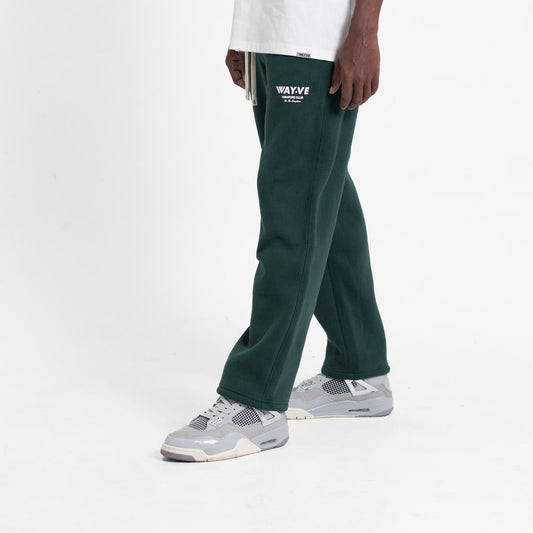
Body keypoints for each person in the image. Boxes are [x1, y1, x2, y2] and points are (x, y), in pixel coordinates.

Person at [161, 0, 392, 462]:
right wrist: (248, 34)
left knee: (292, 210)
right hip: (274, 35)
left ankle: (255, 400)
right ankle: (358, 368)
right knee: (319, 190)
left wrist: (365, 30)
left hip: (316, 37)